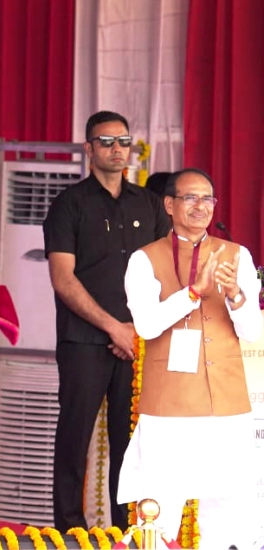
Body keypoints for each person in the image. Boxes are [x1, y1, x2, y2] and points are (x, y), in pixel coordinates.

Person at [118, 168, 263, 548]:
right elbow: (147, 326)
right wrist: (193, 293)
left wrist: (235, 295)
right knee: (160, 504)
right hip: (171, 403)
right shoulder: (144, 259)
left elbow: (251, 330)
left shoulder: (237, 255)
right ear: (169, 204)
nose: (201, 206)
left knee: (229, 503)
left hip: (227, 401)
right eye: (191, 198)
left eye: (208, 199)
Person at [43, 111, 172, 531]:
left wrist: (135, 327)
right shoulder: (69, 204)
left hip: (138, 340)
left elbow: (164, 272)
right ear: (88, 149)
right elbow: (63, 279)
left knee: (130, 441)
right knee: (74, 435)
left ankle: (126, 527)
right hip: (84, 339)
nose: (117, 150)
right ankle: (69, 528)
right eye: (106, 141)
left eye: (123, 141)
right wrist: (112, 327)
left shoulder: (149, 204)